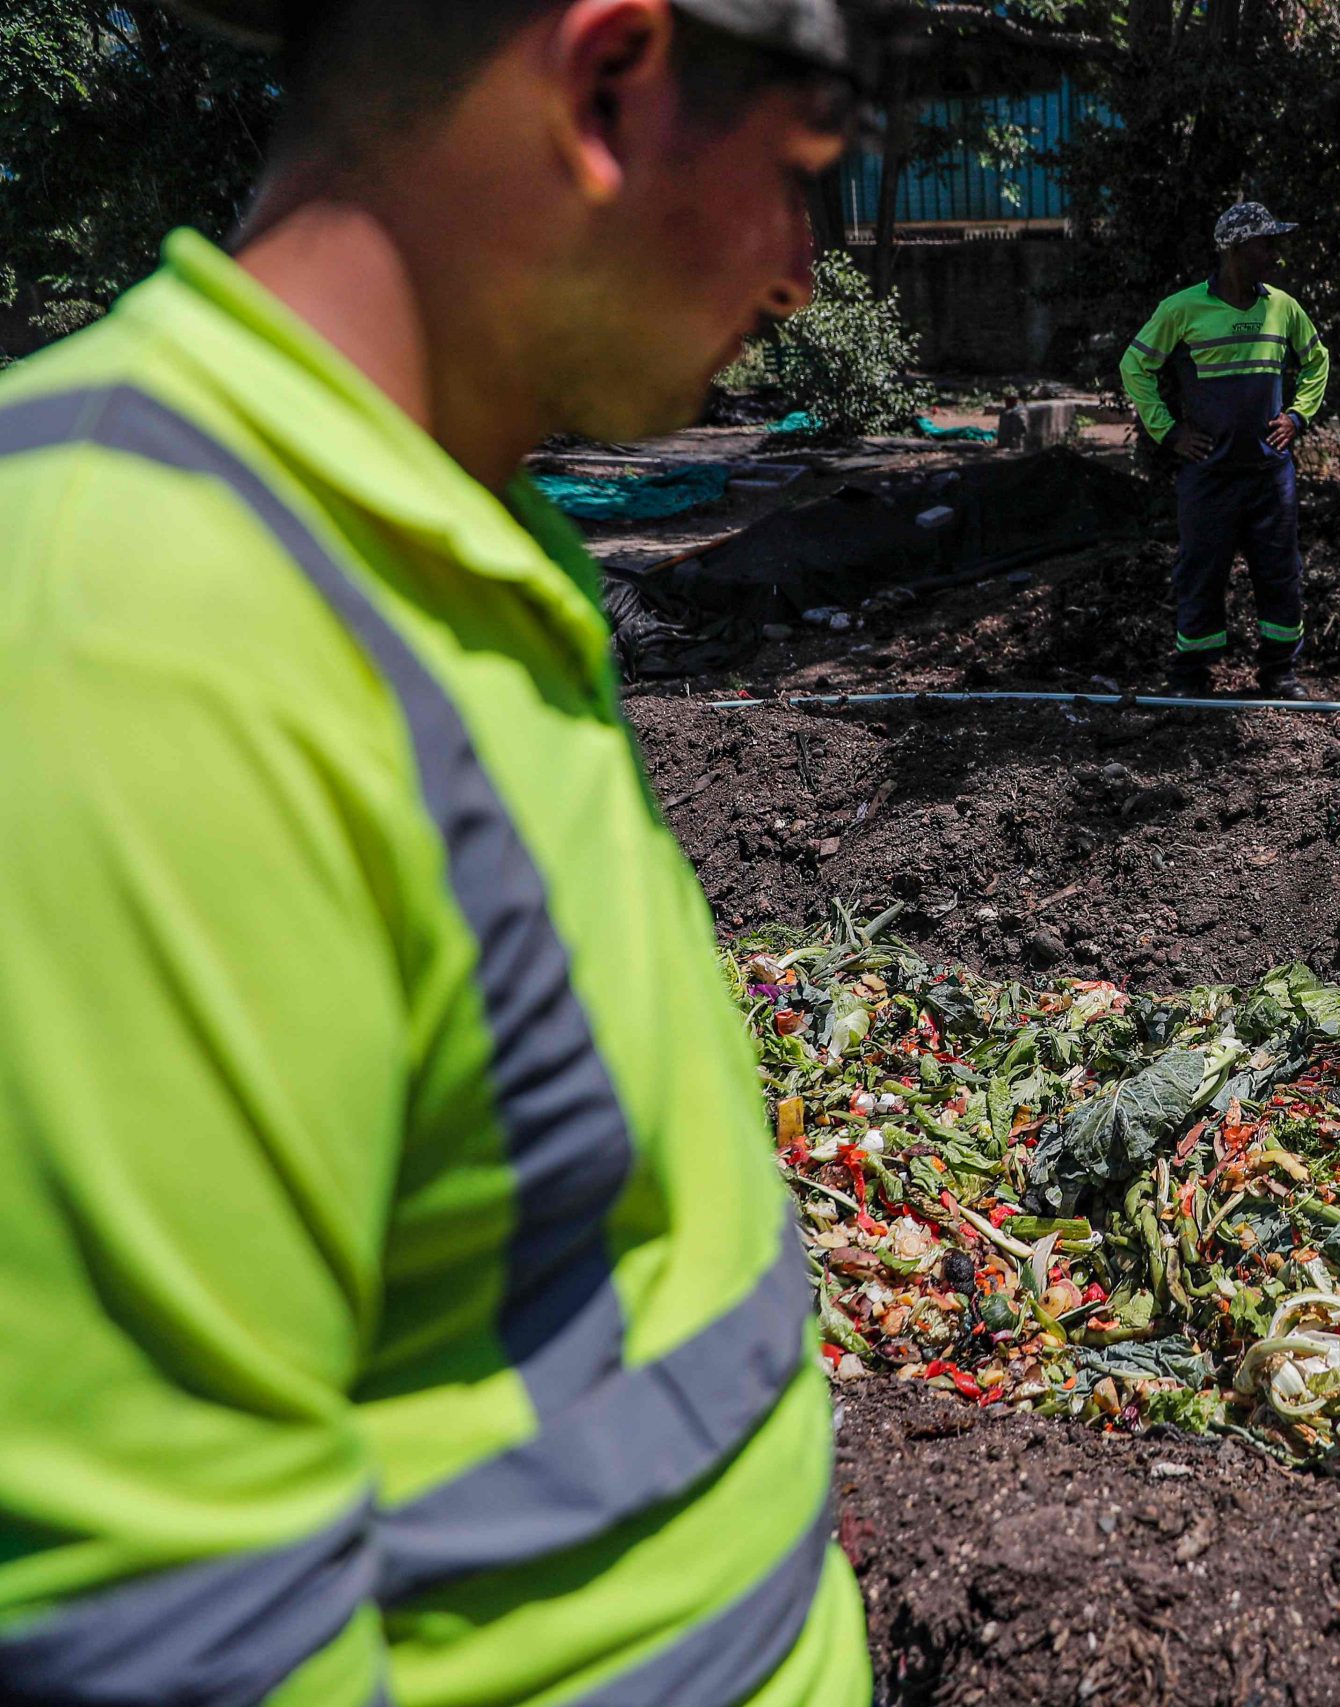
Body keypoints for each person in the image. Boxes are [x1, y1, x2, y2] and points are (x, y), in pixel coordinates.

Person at [0, 2, 885, 1701]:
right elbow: (178, 1644)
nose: (799, 278)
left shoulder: (454, 537)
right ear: (610, 83)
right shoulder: (124, 632)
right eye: (802, 179)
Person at [1119, 201, 1332, 699]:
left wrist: (1297, 415)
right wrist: (1169, 432)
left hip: (1269, 473)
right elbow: (1135, 366)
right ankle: (1191, 678)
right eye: (1265, 244)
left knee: (1280, 571)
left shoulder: (1283, 306)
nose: (1274, 255)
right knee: (1201, 570)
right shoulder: (1182, 309)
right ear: (1236, 250)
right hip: (1208, 475)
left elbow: (1317, 360)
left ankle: (1280, 674)